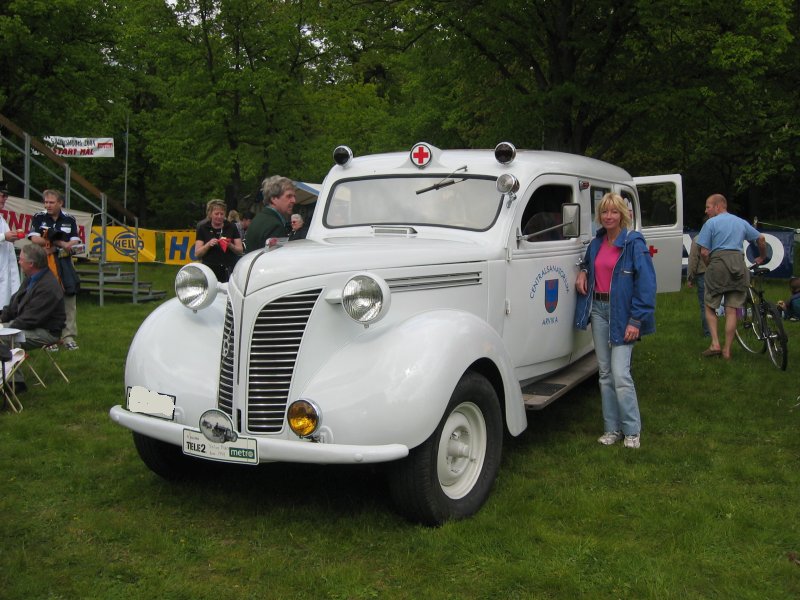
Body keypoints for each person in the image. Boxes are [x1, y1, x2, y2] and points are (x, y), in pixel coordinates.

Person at [575, 192, 656, 449]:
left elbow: (646, 285)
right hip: (598, 309)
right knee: (605, 373)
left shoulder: (634, 244)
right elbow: (589, 263)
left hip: (623, 313)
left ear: (623, 215)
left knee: (621, 374)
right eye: (604, 212)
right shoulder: (597, 243)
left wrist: (636, 320)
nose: (608, 216)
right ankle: (612, 429)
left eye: (614, 212)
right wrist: (584, 272)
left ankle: (632, 431)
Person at [695, 194, 766, 360]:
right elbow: (761, 239)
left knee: (709, 305)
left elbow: (704, 251)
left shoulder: (710, 223)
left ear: (718, 206)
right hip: (738, 264)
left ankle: (715, 343)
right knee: (732, 309)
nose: (706, 211)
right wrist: (762, 257)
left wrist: (709, 264)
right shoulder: (740, 222)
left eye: (708, 207)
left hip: (718, 263)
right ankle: (727, 350)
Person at [0, 244, 66, 390]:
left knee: (6, 338)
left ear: (31, 264)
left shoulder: (48, 286)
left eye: (21, 259)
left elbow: (31, 319)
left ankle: (15, 383)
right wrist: (1, 319)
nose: (19, 261)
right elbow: (14, 303)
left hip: (46, 332)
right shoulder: (32, 278)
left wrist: (5, 328)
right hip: (31, 325)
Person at [28, 189, 81, 351]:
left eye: (51, 202)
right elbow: (34, 238)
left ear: (60, 203)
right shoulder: (39, 217)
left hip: (64, 261)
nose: (48, 205)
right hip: (44, 262)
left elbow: (74, 241)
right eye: (46, 202)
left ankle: (68, 336)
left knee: (68, 297)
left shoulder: (69, 219)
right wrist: (58, 242)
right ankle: (47, 338)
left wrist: (57, 244)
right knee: (46, 298)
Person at [194, 199, 243, 282]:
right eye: (216, 214)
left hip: (228, 269)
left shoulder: (231, 227)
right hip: (210, 270)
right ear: (210, 214)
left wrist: (230, 245)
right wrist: (208, 244)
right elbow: (197, 254)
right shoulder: (203, 228)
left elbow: (240, 251)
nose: (219, 216)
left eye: (222, 214)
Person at [244, 176, 297, 252]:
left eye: (294, 196)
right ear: (273, 199)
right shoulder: (275, 226)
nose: (294, 200)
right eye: (289, 196)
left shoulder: (259, 218)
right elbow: (276, 261)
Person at [0, 184, 23, 307]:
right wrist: (4, 237)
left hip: (5, 275)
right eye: (3, 195)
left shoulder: (2, 220)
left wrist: (10, 238)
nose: (5, 199)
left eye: (6, 196)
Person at [686, 226, 710, 337]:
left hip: (703, 274)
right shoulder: (719, 237)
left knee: (705, 305)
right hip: (719, 273)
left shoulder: (698, 239)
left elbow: (693, 259)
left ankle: (708, 333)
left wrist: (690, 277)